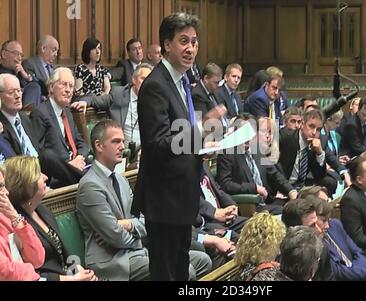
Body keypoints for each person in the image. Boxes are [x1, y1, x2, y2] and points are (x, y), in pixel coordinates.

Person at [133, 13, 226, 281]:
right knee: (166, 275)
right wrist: (201, 127)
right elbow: (158, 144)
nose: (191, 48)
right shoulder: (156, 86)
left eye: (194, 42)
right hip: (164, 200)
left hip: (182, 198)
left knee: (181, 274)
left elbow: (181, 140)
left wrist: (207, 142)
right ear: (167, 45)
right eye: (183, 41)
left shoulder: (182, 81)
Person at [76, 120, 149, 281]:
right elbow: (115, 236)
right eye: (116, 141)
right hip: (112, 262)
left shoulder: (121, 180)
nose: (123, 147)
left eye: (123, 141)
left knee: (200, 261)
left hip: (134, 253)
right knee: (182, 268)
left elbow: (144, 220)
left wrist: (128, 224)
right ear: (99, 146)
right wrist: (137, 235)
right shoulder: (90, 186)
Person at [5, 156, 97, 281]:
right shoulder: (16, 224)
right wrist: (74, 279)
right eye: (38, 174)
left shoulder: (43, 210)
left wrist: (81, 272)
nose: (45, 177)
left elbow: (64, 255)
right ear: (26, 183)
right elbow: (33, 275)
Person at [72, 63, 153, 150]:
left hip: (146, 151)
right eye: (143, 79)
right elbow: (95, 99)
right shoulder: (119, 95)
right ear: (134, 79)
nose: (146, 83)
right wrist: (85, 101)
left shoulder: (155, 100)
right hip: (121, 151)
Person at [31, 67, 89, 188]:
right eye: (64, 85)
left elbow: (80, 143)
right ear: (51, 87)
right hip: (57, 176)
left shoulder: (67, 112)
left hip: (78, 167)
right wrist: (68, 165)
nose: (68, 90)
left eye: (71, 86)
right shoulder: (40, 112)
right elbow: (40, 152)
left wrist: (79, 157)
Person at [0, 164, 45, 280]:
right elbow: (5, 272)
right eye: (0, 187)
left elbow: (37, 259)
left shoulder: (6, 216)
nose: (6, 192)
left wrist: (15, 218)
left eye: (4, 186)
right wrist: (30, 271)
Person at [234, 212, 290, 281]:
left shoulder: (243, 267)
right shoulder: (266, 275)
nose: (279, 250)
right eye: (279, 240)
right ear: (270, 242)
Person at [0, 40, 42, 106]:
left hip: (26, 108)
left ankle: (27, 112)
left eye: (21, 55)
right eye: (16, 53)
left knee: (34, 86)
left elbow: (44, 90)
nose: (19, 58)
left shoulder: (22, 72)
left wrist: (27, 77)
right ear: (4, 54)